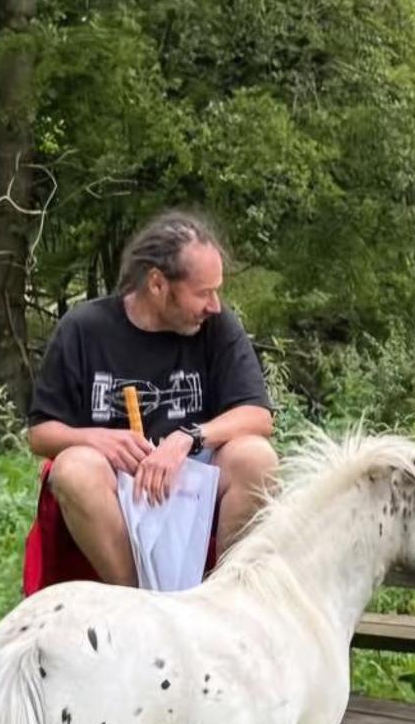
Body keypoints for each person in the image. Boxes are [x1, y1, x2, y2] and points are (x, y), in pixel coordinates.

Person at [26, 211, 278, 585]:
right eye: (203, 293)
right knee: (74, 468)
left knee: (256, 457)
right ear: (158, 284)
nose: (214, 305)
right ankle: (137, 601)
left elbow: (258, 415)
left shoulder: (216, 327)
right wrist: (95, 439)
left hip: (194, 484)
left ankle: (227, 599)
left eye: (216, 291)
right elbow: (40, 434)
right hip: (116, 491)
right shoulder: (84, 329)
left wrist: (188, 438)